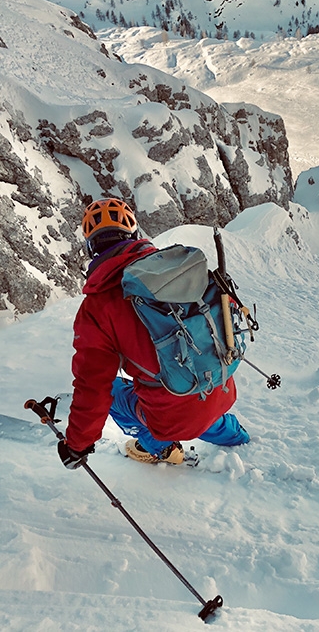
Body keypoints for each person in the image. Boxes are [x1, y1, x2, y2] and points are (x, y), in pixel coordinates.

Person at [58, 198, 250, 469]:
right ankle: (236, 436)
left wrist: (77, 445)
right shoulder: (178, 268)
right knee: (191, 392)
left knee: (115, 391)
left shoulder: (98, 308)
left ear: (91, 248)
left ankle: (161, 448)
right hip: (220, 387)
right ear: (135, 235)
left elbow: (93, 389)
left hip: (172, 417)